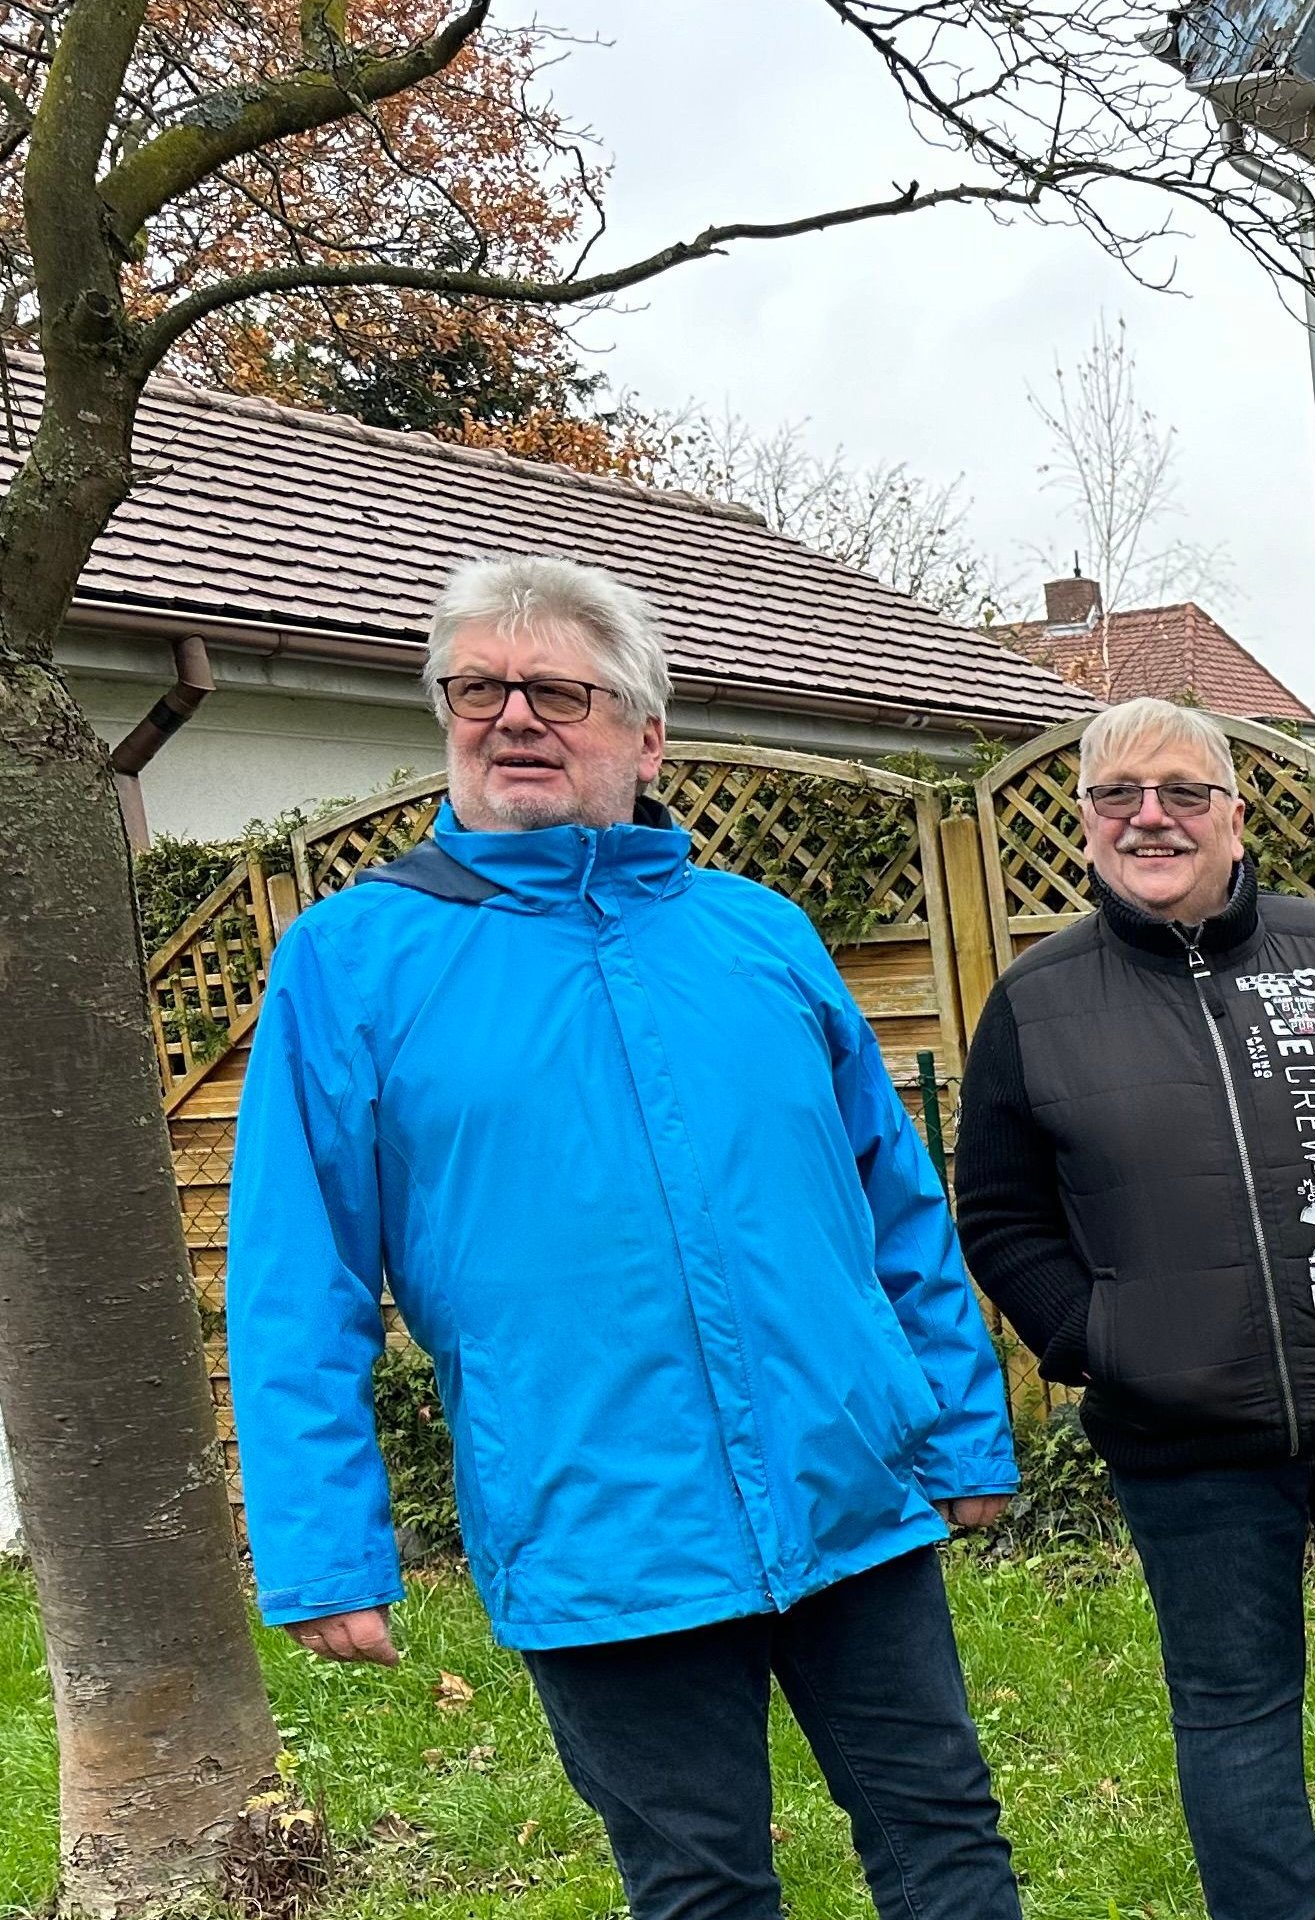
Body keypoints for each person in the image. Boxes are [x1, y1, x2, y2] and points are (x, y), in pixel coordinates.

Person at [224, 557, 1027, 1920]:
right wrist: (322, 1546)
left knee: (947, 1836)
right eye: (479, 687)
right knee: (700, 1885)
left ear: (647, 736)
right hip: (596, 1521)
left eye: (559, 691)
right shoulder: (350, 961)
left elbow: (893, 1201)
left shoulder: (757, 934)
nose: (515, 716)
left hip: (851, 1489)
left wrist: (958, 1431)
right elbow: (297, 1274)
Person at [956, 697, 1315, 1920]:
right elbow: (1000, 1215)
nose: (1148, 816)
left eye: (1180, 791)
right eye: (1118, 795)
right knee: (1236, 1712)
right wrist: (1099, 1341)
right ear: (1087, 821)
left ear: (1235, 812)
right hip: (1184, 1442)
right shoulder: (1035, 1000)